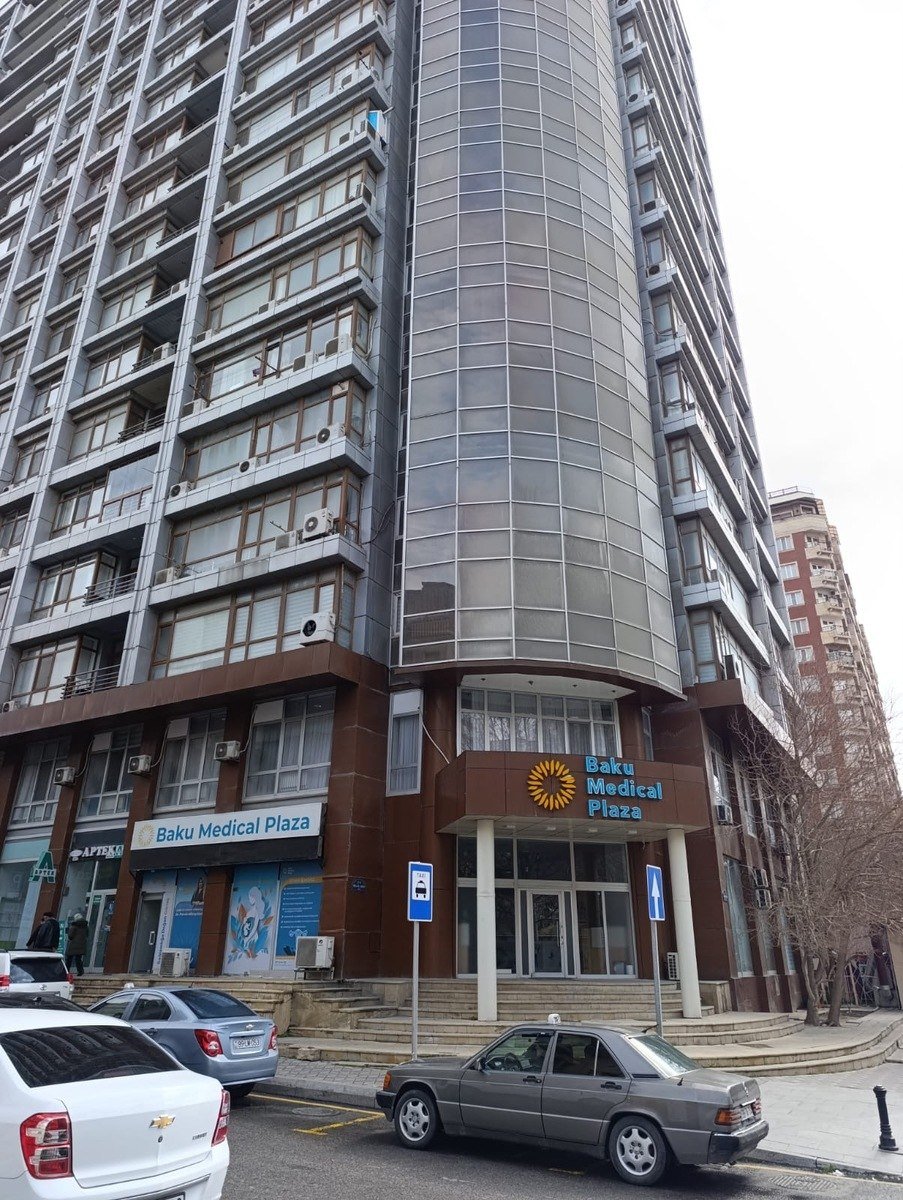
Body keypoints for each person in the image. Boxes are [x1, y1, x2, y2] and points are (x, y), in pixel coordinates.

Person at [65, 911, 89, 977]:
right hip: (82, 944)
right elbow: (87, 934)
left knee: (69, 959)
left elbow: (70, 936)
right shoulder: (86, 926)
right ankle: (80, 971)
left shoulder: (74, 926)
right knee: (78, 959)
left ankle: (66, 971)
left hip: (73, 944)